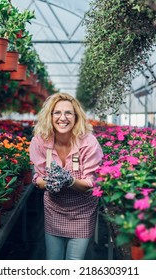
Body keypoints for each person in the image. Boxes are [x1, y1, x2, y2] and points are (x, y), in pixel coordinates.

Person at [29, 92, 103, 260]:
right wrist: (48, 183)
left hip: (82, 210)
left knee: (74, 262)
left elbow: (90, 182)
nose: (63, 118)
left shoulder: (88, 142)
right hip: (54, 209)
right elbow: (38, 178)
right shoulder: (40, 141)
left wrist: (69, 180)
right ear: (50, 116)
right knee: (53, 261)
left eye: (68, 113)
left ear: (76, 116)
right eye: (57, 113)